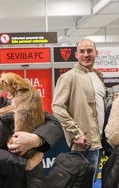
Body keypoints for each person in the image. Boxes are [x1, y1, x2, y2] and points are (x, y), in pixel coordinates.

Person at [52, 39, 105, 182]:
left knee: (91, 182)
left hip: (97, 142)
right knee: (80, 184)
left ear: (96, 53)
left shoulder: (98, 76)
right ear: (76, 54)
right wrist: (76, 133)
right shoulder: (68, 77)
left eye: (89, 51)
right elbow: (57, 107)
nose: (86, 55)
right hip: (82, 144)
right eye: (82, 51)